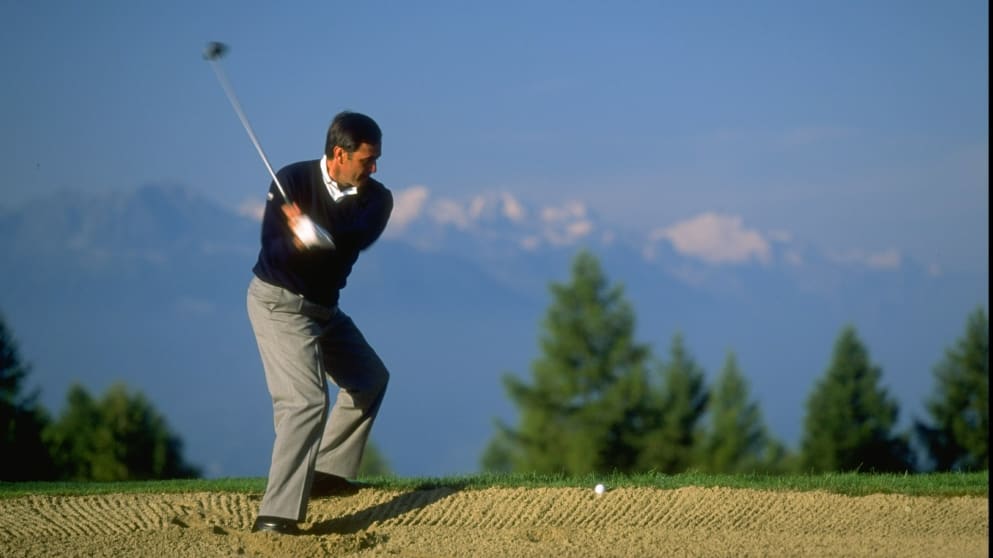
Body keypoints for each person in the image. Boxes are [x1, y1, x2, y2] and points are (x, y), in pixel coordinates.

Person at [246, 111, 393, 535]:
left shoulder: (377, 198)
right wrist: (296, 239)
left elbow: (358, 236)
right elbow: (273, 253)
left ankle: (326, 473)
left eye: (377, 159)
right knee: (305, 403)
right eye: (367, 160)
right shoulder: (290, 181)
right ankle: (276, 516)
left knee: (369, 379)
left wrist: (317, 232)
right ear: (338, 155)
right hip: (279, 305)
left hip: (324, 310)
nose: (375, 168)